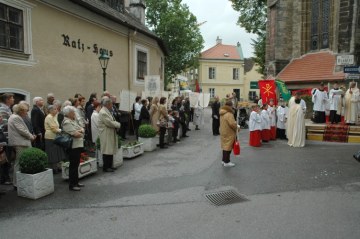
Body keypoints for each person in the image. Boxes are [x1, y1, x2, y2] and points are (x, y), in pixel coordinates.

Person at [8, 103, 36, 188]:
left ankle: (18, 182)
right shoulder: (16, 117)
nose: (26, 113)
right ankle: (16, 183)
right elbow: (22, 130)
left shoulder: (14, 117)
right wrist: (31, 136)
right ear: (21, 111)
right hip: (21, 143)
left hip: (20, 142)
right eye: (25, 111)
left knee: (19, 162)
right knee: (19, 163)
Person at [62, 106, 85, 191]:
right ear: (69, 113)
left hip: (77, 145)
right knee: (73, 166)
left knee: (76, 164)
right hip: (73, 146)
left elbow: (81, 128)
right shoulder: (66, 122)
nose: (74, 113)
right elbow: (76, 134)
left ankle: (76, 182)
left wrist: (80, 131)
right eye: (73, 112)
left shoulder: (72, 120)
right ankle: (72, 184)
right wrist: (80, 131)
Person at [98, 97, 121, 172]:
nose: (112, 105)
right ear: (108, 104)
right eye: (111, 104)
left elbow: (112, 120)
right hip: (106, 133)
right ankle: (106, 167)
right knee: (106, 150)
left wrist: (116, 124)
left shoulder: (107, 110)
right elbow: (109, 122)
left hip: (109, 133)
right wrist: (118, 125)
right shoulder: (103, 112)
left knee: (110, 149)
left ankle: (110, 165)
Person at [44, 105, 65, 174]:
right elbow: (53, 128)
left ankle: (57, 167)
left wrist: (59, 130)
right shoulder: (49, 117)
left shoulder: (54, 116)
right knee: (52, 153)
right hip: (50, 137)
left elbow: (56, 126)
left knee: (56, 152)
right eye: (55, 109)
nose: (57, 110)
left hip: (55, 136)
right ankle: (53, 168)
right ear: (50, 111)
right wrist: (61, 131)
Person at [0, 93, 14, 185]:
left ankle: (6, 177)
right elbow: (5, 125)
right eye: (12, 98)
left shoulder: (7, 108)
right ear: (7, 99)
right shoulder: (3, 109)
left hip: (8, 136)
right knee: (5, 159)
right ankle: (5, 178)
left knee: (7, 158)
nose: (13, 99)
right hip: (5, 136)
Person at [220, 101, 239, 167]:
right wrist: (237, 127)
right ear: (230, 106)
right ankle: (227, 162)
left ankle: (223, 160)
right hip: (229, 132)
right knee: (228, 147)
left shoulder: (222, 112)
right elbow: (232, 124)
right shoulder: (229, 114)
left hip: (223, 131)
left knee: (225, 146)